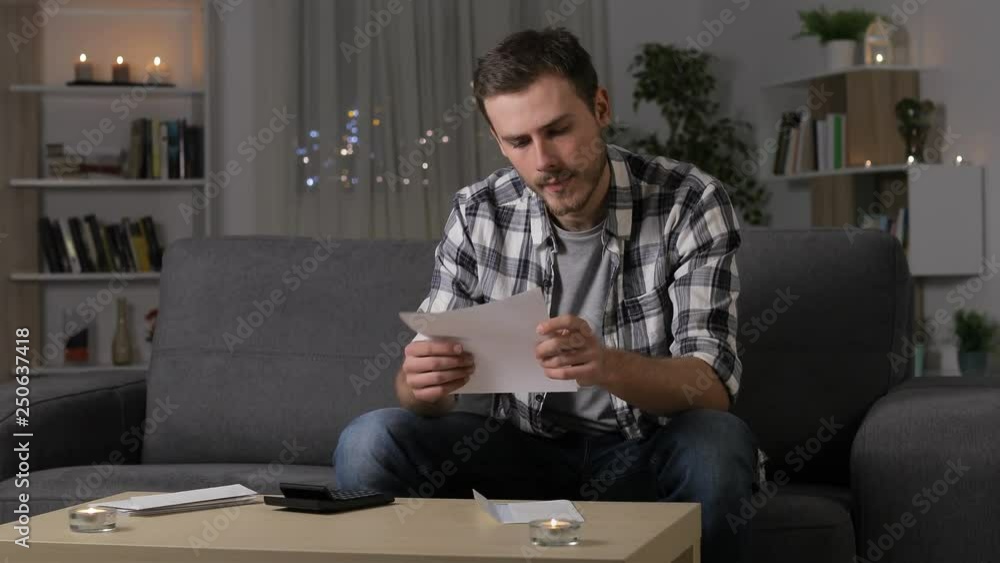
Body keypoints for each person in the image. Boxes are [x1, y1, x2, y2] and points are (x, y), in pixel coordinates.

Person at [335, 27, 760, 563]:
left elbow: (712, 386)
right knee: (368, 440)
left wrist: (603, 365)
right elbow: (419, 392)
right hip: (521, 455)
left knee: (718, 445)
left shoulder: (690, 202)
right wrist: (423, 384)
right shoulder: (477, 213)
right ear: (498, 140)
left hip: (646, 451)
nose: (544, 162)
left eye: (557, 130)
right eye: (519, 142)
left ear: (600, 107)